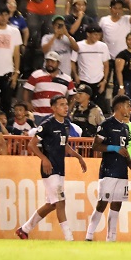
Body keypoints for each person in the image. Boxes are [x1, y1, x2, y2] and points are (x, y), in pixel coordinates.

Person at [16, 95, 88, 241]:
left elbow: (65, 145)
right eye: (61, 104)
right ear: (54, 108)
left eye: (66, 104)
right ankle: (69, 237)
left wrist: (78, 156)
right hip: (49, 170)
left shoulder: (66, 124)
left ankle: (24, 229)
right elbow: (31, 144)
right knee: (61, 201)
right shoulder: (48, 124)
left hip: (60, 168)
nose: (65, 107)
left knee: (51, 204)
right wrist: (44, 159)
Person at [85, 94, 131, 242]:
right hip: (108, 171)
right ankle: (89, 235)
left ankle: (111, 238)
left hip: (122, 171)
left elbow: (125, 151)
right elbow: (95, 146)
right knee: (102, 203)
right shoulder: (106, 125)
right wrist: (113, 147)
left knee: (117, 204)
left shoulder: (126, 128)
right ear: (120, 107)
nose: (130, 109)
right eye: (128, 106)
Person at [23, 51, 74, 124]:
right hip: (38, 114)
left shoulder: (67, 79)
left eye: (52, 62)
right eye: (48, 61)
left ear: (58, 63)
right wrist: (27, 103)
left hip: (56, 116)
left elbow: (73, 95)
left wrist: (68, 108)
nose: (49, 64)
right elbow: (27, 89)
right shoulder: (36, 74)